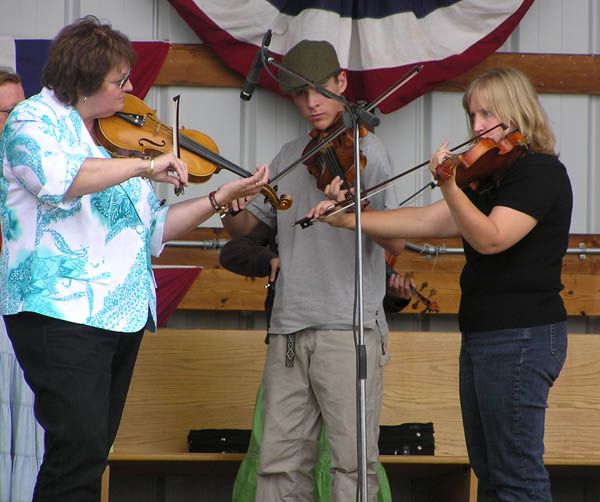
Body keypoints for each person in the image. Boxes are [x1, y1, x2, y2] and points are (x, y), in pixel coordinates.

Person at [0, 16, 269, 502]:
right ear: (82, 81)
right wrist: (146, 165)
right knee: (75, 450)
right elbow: (58, 180)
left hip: (118, 315)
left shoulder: (112, 136)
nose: (129, 90)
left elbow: (151, 231)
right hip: (58, 311)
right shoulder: (32, 120)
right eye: (118, 81)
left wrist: (216, 198)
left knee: (92, 453)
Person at [308, 67, 572, 501]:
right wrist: (348, 218)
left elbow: (490, 238)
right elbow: (429, 219)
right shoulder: (494, 176)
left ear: (516, 110)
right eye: (472, 115)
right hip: (486, 335)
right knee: (490, 471)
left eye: (487, 113)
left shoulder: (540, 172)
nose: (477, 126)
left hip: (521, 335)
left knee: (515, 476)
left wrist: (448, 182)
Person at [223, 39, 405, 501]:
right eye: (300, 96)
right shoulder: (289, 156)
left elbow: (396, 240)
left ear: (342, 83)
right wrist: (231, 204)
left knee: (351, 465)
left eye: (320, 91)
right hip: (288, 327)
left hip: (348, 328)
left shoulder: (370, 151)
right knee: (278, 465)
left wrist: (354, 209)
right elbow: (249, 229)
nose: (311, 104)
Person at [220, 220, 413, 502]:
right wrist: (267, 255)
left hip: (347, 333)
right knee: (281, 459)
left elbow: (386, 254)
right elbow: (234, 247)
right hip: (289, 333)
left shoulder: (364, 186)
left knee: (350, 461)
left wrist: (394, 298)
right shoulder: (284, 199)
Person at [0, 67, 44, 502]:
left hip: (26, 306)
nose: (17, 120)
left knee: (29, 426)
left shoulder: (35, 163)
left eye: (22, 109)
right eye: (7, 111)